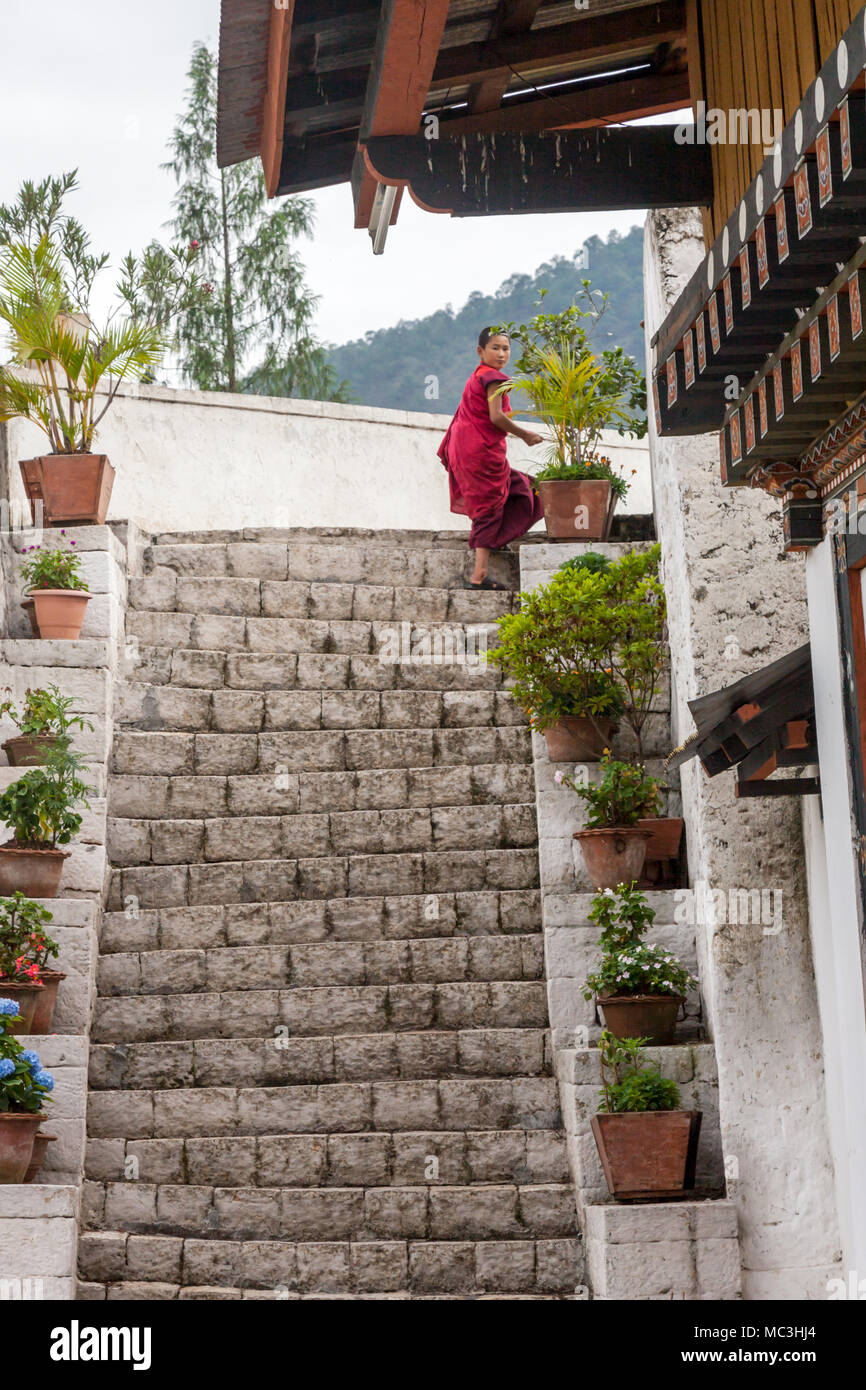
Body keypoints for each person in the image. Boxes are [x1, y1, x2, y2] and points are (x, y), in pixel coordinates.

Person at [438, 327, 545, 590]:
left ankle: (497, 539)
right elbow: (497, 418)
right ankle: (479, 576)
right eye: (495, 348)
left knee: (524, 488)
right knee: (489, 505)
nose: (501, 353)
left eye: (505, 348)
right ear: (480, 351)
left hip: (466, 449)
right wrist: (526, 435)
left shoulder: (477, 376)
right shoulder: (493, 378)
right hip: (479, 452)